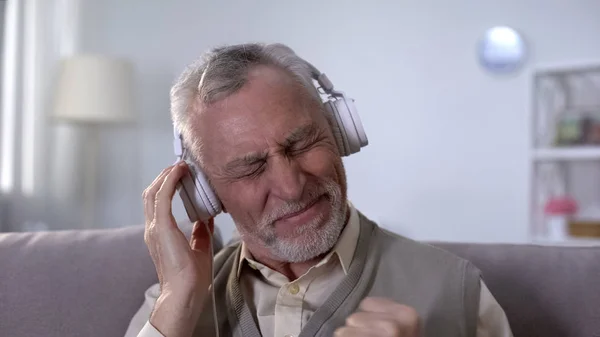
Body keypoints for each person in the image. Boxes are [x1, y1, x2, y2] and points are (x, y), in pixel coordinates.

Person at [126, 43, 513, 337]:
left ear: (341, 132)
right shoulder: (171, 307)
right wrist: (176, 304)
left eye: (303, 144)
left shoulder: (457, 291)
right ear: (206, 194)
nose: (291, 187)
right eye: (251, 168)